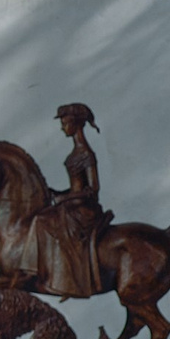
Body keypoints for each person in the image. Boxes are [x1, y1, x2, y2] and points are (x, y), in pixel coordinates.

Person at [22, 102, 108, 298]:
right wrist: (58, 192)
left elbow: (93, 189)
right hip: (72, 205)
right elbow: (77, 187)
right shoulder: (75, 153)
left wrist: (65, 197)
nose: (62, 127)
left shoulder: (86, 154)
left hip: (84, 210)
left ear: (76, 124)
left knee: (42, 221)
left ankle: (56, 276)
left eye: (65, 123)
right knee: (41, 216)